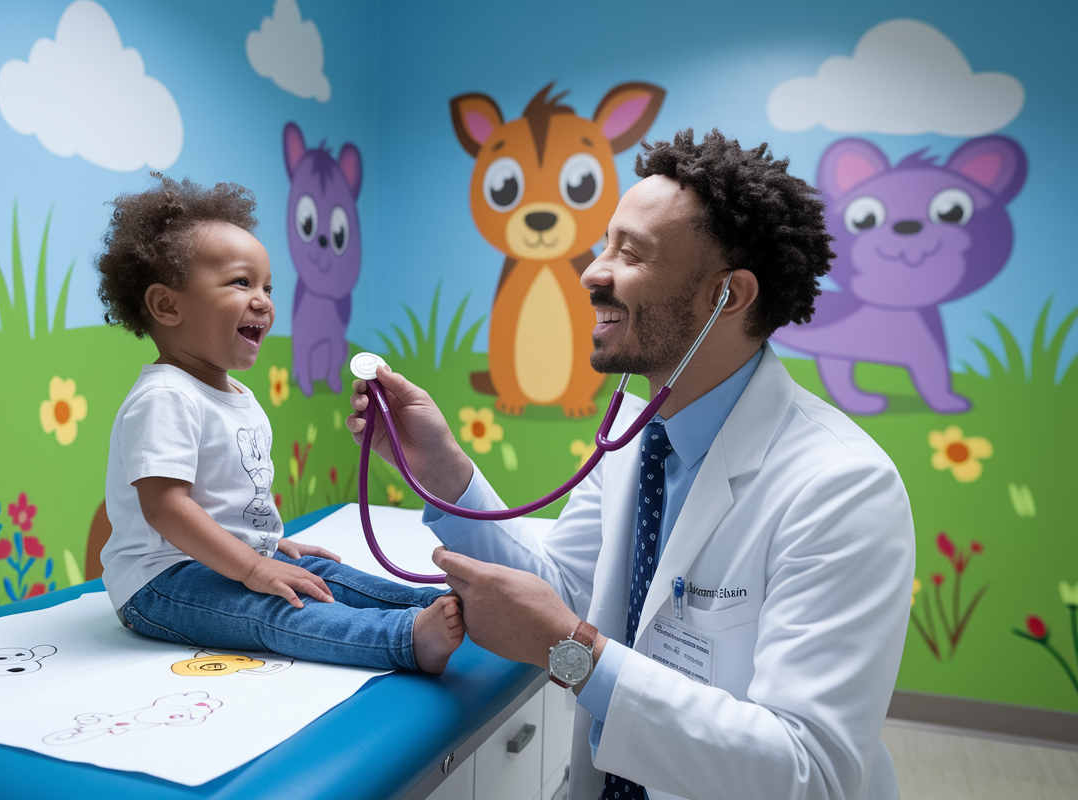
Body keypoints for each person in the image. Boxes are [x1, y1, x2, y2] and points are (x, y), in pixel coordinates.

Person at [349, 130, 915, 799]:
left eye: (631, 253)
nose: (592, 271)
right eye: (605, 242)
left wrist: (570, 654)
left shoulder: (842, 490)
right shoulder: (635, 433)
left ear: (727, 297)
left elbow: (808, 773)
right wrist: (442, 469)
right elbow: (565, 589)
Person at [95, 174, 464, 674]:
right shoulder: (166, 396)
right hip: (163, 582)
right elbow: (165, 507)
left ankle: (427, 605)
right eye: (241, 282)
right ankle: (402, 639)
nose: (264, 300)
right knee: (273, 609)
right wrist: (251, 565)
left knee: (320, 572)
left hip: (221, 560)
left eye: (268, 286)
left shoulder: (236, 396)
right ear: (167, 305)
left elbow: (226, 500)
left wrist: (269, 545)